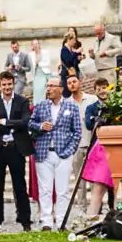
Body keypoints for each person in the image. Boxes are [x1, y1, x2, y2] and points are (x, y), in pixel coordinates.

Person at [27, 76, 82, 231]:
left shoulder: (71, 107)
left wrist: (70, 150)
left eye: (52, 86)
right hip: (43, 152)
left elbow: (77, 132)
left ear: (61, 89)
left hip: (64, 153)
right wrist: (40, 126)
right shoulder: (41, 106)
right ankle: (46, 222)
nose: (49, 89)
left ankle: (61, 221)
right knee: (45, 189)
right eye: (48, 86)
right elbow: (30, 124)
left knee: (62, 190)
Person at [0, 71, 33, 233]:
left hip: (15, 148)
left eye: (9, 84)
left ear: (13, 84)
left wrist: (5, 122)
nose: (7, 87)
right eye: (3, 84)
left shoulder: (22, 101)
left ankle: (25, 221)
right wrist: (14, 124)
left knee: (20, 186)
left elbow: (25, 122)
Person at [81, 82, 115, 222]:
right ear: (95, 91)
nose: (102, 91)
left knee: (114, 186)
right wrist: (97, 119)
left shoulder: (115, 106)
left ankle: (113, 211)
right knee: (98, 184)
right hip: (99, 147)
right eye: (99, 88)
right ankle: (94, 216)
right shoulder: (92, 107)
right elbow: (89, 125)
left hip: (114, 147)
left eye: (104, 87)